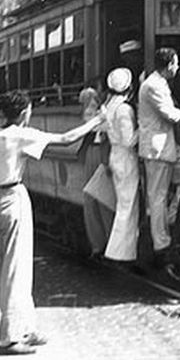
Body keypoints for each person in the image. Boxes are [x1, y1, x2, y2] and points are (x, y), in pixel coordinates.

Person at [0, 90, 104, 356]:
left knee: (7, 267)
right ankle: (8, 339)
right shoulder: (21, 135)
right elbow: (66, 139)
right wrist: (97, 120)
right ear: (25, 112)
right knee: (16, 271)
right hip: (14, 198)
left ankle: (26, 327)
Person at [138, 48, 180, 265]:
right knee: (156, 196)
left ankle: (170, 217)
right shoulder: (152, 85)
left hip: (166, 145)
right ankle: (161, 244)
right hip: (157, 148)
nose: (177, 68)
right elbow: (170, 114)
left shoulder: (158, 83)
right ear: (168, 65)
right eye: (176, 64)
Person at [103, 68, 140, 265]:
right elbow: (129, 140)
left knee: (123, 204)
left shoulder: (109, 106)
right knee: (128, 206)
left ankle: (123, 251)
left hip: (115, 155)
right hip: (125, 158)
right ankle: (121, 253)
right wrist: (144, 127)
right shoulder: (124, 109)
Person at [78, 76, 114, 259]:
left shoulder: (108, 106)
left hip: (103, 151)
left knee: (103, 199)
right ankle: (99, 244)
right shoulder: (96, 105)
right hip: (95, 150)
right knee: (94, 198)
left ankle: (106, 244)